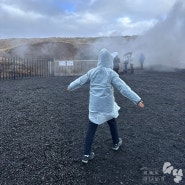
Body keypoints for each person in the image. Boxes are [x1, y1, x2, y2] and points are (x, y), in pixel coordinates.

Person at [67, 48, 144, 164]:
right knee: (112, 122)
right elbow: (123, 88)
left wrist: (70, 86)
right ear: (109, 61)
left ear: (99, 60)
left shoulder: (92, 72)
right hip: (107, 106)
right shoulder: (111, 73)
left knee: (91, 129)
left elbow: (80, 81)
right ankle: (116, 143)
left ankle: (86, 155)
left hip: (95, 107)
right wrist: (137, 100)